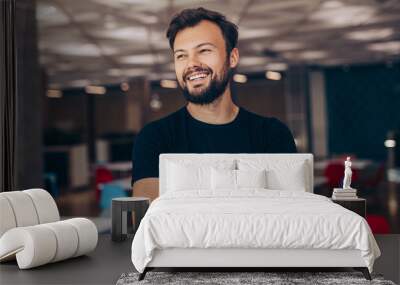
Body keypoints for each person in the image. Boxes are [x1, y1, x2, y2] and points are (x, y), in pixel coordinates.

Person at [131, 7, 297, 201]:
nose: (191, 64)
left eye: (204, 50)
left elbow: (289, 217)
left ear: (232, 57)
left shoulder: (272, 135)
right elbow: (146, 221)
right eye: (181, 55)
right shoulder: (154, 138)